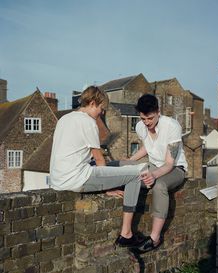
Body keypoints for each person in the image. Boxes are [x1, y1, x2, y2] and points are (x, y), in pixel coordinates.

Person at [50, 86, 151, 248]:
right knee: (135, 174)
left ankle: (126, 232)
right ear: (92, 103)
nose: (102, 113)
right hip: (76, 179)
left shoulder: (65, 118)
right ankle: (126, 234)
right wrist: (106, 187)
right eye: (101, 109)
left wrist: (105, 185)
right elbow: (99, 160)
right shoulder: (88, 122)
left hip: (58, 180)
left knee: (122, 164)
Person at [119, 93, 187, 253]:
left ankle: (154, 238)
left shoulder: (172, 126)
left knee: (159, 185)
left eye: (150, 118)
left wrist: (154, 175)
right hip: (154, 165)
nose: (147, 123)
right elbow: (147, 147)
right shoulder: (140, 126)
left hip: (176, 169)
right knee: (127, 170)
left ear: (158, 112)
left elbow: (170, 163)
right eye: (143, 119)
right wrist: (131, 159)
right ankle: (126, 233)